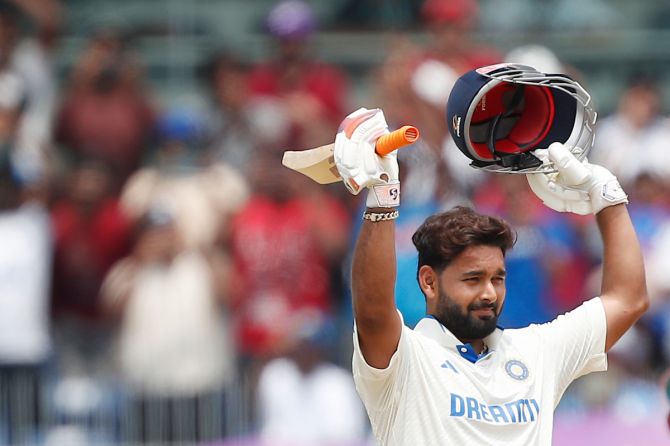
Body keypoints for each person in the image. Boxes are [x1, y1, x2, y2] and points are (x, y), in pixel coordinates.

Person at [331, 90, 648, 443]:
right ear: (429, 282)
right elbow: (373, 311)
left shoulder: (536, 352)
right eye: (472, 279)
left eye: (498, 278)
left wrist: (607, 196)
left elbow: (628, 299)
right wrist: (381, 197)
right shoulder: (407, 358)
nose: (488, 292)